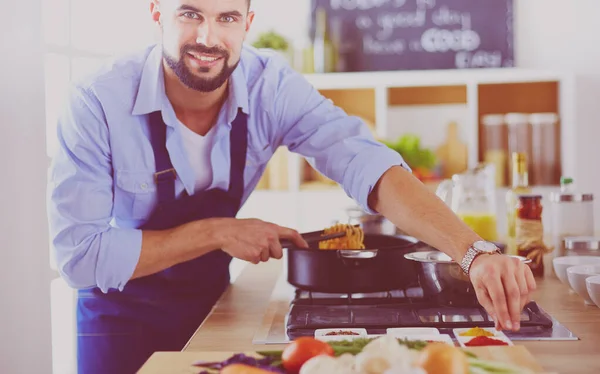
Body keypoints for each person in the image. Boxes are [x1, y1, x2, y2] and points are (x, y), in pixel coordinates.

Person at [46, 0, 536, 373]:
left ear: (248, 22)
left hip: (214, 307)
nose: (207, 37)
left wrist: (475, 253)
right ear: (156, 12)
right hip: (117, 319)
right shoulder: (97, 102)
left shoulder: (271, 87)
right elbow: (80, 257)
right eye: (190, 14)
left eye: (227, 18)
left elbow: (366, 162)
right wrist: (217, 232)